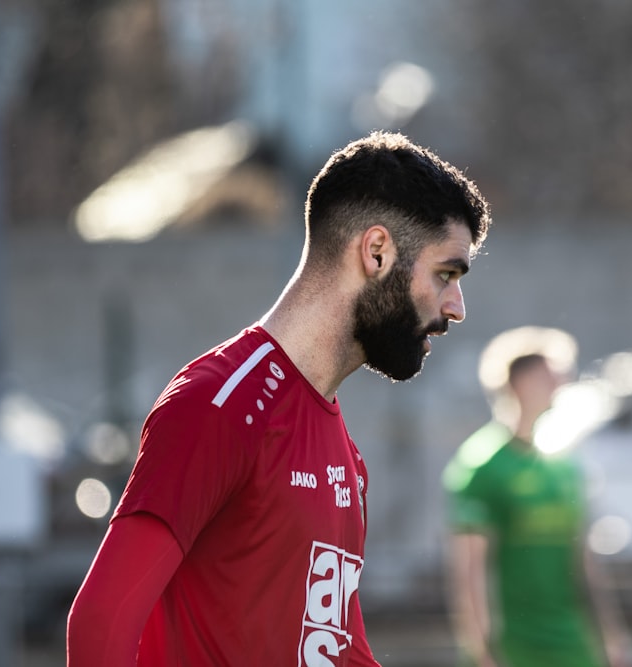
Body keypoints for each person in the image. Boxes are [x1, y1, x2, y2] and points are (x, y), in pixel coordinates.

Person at [67, 131, 491, 666]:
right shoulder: (218, 404)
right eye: (445, 274)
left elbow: (335, 650)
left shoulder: (347, 458)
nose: (456, 306)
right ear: (377, 252)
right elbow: (100, 625)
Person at [442, 327, 630, 667]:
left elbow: (584, 563)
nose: (560, 387)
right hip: (515, 648)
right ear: (519, 383)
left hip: (573, 645)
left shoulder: (564, 466)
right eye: (550, 377)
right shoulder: (481, 466)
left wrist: (612, 639)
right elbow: (469, 571)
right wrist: (479, 650)